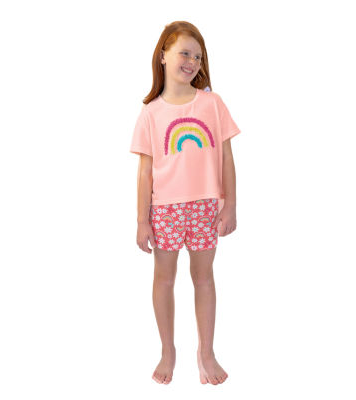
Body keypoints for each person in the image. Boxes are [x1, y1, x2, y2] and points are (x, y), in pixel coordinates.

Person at [129, 21, 241, 385]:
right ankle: (168, 350)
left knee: (204, 278)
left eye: (198, 56)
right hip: (164, 209)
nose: (192, 61)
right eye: (185, 53)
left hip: (206, 206)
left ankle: (206, 353)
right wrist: (142, 220)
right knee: (164, 279)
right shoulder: (150, 113)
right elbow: (145, 171)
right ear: (163, 56)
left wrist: (230, 205)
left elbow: (227, 158)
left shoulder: (213, 103)